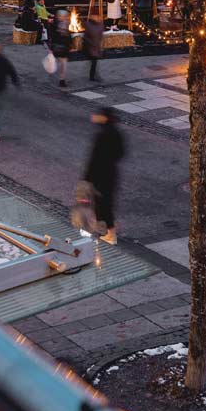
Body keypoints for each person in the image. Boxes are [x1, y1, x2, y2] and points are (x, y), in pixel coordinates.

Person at [83, 107, 125, 244]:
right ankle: (107, 228)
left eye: (98, 115)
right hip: (111, 172)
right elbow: (120, 153)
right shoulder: (115, 133)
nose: (94, 117)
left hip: (101, 174)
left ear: (104, 118)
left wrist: (86, 178)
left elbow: (94, 159)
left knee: (103, 204)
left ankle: (110, 233)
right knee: (105, 202)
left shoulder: (102, 135)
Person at [83, 13, 104, 82]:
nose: (97, 18)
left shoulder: (100, 25)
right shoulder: (89, 25)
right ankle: (93, 76)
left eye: (98, 16)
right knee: (94, 62)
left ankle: (94, 76)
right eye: (95, 16)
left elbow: (100, 36)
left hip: (96, 46)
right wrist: (91, 43)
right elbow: (86, 37)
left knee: (94, 62)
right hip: (91, 47)